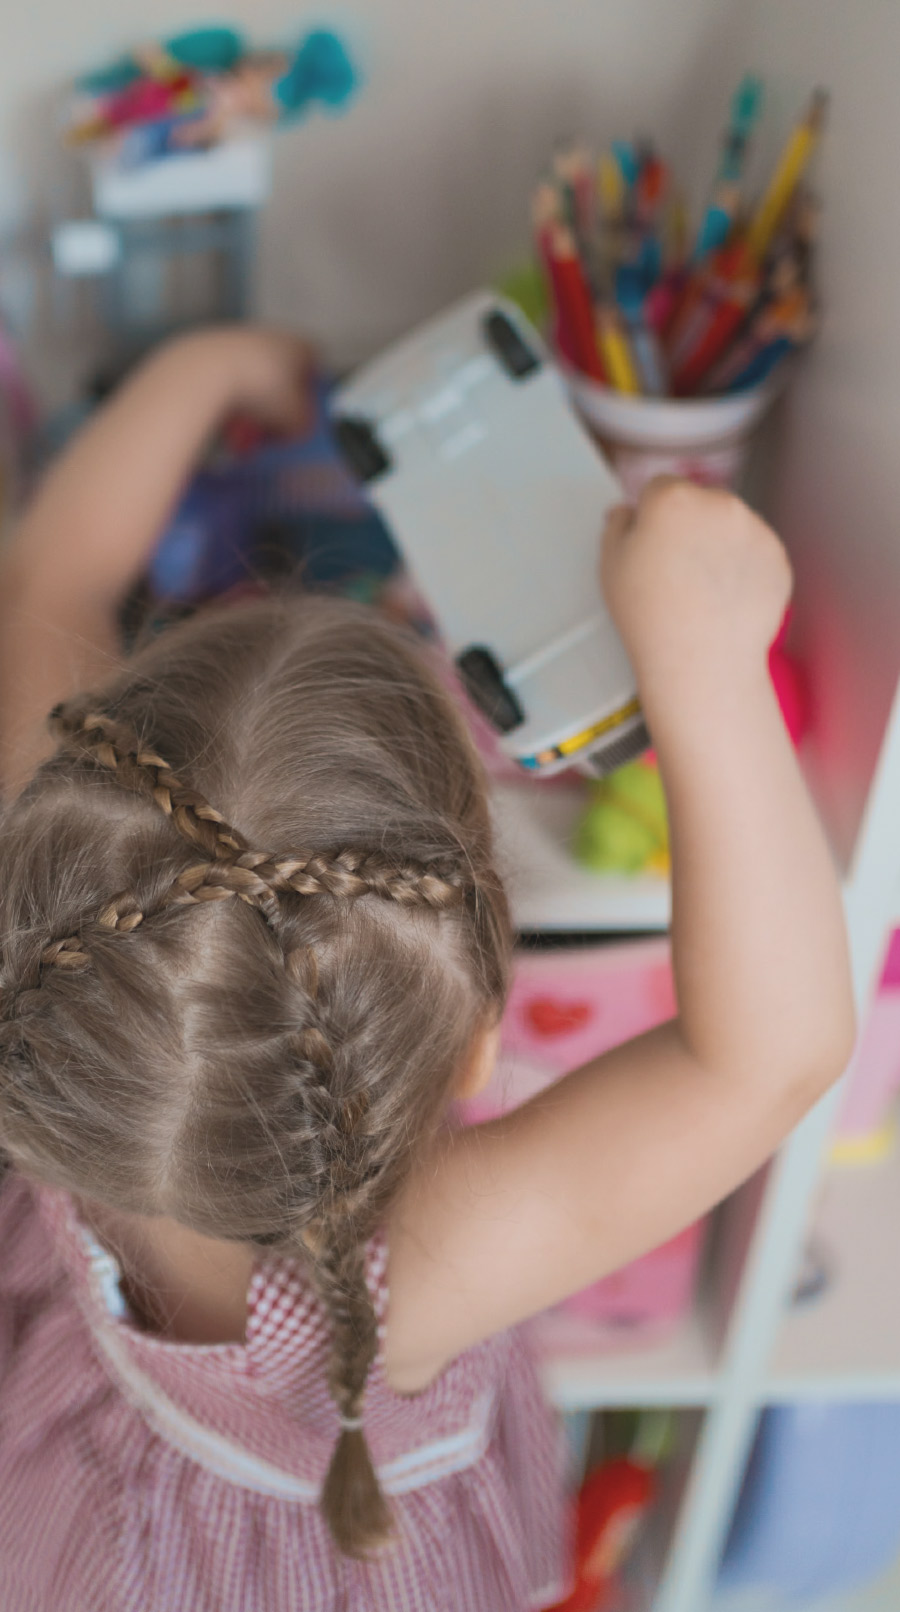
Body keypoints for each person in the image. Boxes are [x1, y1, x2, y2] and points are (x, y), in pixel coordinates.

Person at [0, 327, 854, 1612]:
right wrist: (712, 660)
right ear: (474, 1051)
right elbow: (769, 1053)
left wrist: (211, 369)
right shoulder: (430, 1261)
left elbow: (48, 582)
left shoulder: (49, 954)